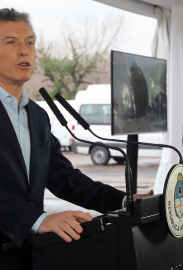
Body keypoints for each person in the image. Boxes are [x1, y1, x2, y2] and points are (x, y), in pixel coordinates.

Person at [0, 7, 153, 253]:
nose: (24, 50)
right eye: (11, 42)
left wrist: (124, 201)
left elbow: (63, 178)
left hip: (26, 251)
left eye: (30, 42)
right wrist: (38, 220)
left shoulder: (37, 116)